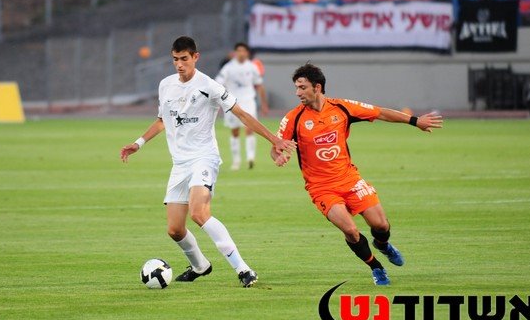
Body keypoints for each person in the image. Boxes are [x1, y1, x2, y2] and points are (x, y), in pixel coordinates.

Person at [120, 36, 295, 288]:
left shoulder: (209, 86)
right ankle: (200, 266)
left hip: (204, 157)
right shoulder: (165, 85)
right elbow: (161, 120)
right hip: (180, 164)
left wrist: (274, 139)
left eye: (184, 59)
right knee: (175, 230)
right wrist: (138, 143)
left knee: (199, 213)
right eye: (175, 59)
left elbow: (243, 114)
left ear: (195, 57)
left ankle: (243, 269)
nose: (179, 64)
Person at [271, 64, 443, 285]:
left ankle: (382, 245)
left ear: (317, 87)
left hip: (350, 179)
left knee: (381, 225)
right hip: (321, 188)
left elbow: (380, 112)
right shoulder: (293, 118)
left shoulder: (342, 108)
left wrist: (415, 121)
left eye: (302, 87)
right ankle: (376, 267)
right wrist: (277, 155)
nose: (297, 93)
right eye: (296, 88)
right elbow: (276, 146)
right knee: (351, 231)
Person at [215, 43, 269, 170]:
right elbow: (218, 84)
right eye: (239, 50)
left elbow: (259, 85)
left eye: (243, 51)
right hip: (232, 103)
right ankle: (236, 161)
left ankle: (250, 158)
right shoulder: (228, 67)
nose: (241, 53)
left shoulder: (252, 67)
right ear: (235, 52)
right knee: (235, 131)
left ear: (247, 53)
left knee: (250, 128)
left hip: (248, 101)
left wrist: (264, 104)